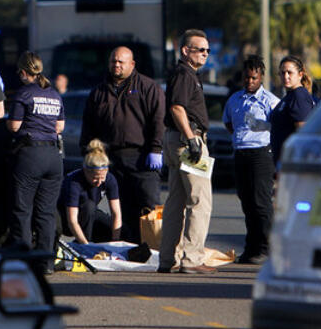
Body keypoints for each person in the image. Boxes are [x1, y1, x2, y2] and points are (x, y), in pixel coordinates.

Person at [79, 46, 166, 244]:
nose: (116, 65)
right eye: (113, 61)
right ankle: (128, 248)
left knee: (149, 207)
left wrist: (155, 149)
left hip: (142, 158)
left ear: (132, 64)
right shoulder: (98, 92)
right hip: (111, 159)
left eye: (121, 61)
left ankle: (155, 250)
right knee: (121, 209)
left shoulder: (148, 87)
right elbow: (88, 126)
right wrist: (87, 153)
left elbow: (159, 120)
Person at [158, 30, 216, 274]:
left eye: (207, 50)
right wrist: (192, 140)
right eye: (199, 49)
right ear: (185, 51)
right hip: (187, 140)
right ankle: (192, 259)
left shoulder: (186, 74)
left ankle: (167, 259)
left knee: (177, 201)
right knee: (200, 200)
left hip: (177, 139)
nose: (204, 54)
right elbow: (177, 108)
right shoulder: (185, 73)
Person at [6, 51, 65, 272]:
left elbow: (13, 126)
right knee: (47, 212)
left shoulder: (24, 93)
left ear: (23, 72)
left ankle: (24, 261)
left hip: (30, 155)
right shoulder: (54, 94)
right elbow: (60, 127)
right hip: (53, 157)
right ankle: (46, 262)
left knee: (22, 210)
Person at [222, 55, 280, 265]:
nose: (250, 82)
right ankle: (251, 248)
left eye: (254, 78)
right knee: (246, 202)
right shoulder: (234, 99)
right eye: (246, 78)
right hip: (241, 153)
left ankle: (266, 248)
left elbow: (278, 128)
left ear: (261, 77)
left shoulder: (270, 101)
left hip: (261, 154)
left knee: (261, 203)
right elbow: (229, 123)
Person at [59, 139, 122, 244]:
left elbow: (116, 214)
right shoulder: (74, 182)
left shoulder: (110, 179)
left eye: (102, 178)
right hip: (66, 218)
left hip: (88, 215)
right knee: (89, 206)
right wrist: (86, 245)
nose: (99, 182)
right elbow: (72, 220)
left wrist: (115, 241)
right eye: (95, 178)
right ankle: (83, 243)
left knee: (121, 230)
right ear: (85, 171)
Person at [270, 54, 318, 164]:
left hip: (292, 161)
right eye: (282, 73)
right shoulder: (290, 96)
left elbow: (303, 132)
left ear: (300, 74)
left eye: (289, 72)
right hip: (282, 160)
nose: (285, 76)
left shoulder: (298, 96)